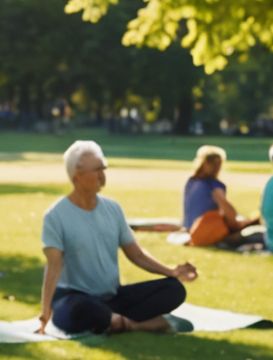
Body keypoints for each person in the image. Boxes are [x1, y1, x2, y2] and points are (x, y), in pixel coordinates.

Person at [37, 140, 200, 336]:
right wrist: (45, 313)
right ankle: (145, 323)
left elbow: (136, 255)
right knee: (83, 311)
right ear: (77, 177)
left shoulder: (113, 209)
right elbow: (54, 265)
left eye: (103, 169)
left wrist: (172, 272)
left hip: (113, 296)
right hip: (74, 298)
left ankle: (117, 322)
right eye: (96, 170)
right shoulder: (56, 215)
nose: (102, 176)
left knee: (174, 290)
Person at [182, 145, 261, 249]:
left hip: (188, 226)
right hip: (203, 229)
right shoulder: (214, 185)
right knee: (249, 224)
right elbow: (231, 216)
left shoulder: (191, 181)